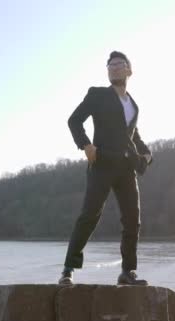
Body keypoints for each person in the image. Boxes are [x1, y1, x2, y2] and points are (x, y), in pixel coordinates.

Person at [59, 51, 152, 286]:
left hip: (126, 168)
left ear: (129, 70)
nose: (113, 68)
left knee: (132, 220)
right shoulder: (98, 95)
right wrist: (86, 145)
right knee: (89, 215)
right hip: (101, 163)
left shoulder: (134, 106)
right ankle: (68, 269)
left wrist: (147, 153)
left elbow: (132, 136)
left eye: (119, 64)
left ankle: (127, 272)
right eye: (110, 65)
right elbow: (74, 120)